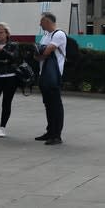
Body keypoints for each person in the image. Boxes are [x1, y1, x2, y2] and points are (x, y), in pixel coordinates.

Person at [34, 12, 67, 146]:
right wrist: (41, 52)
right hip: (44, 75)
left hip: (54, 76)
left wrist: (41, 52)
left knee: (56, 106)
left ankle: (56, 135)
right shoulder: (46, 35)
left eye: (41, 22)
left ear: (47, 22)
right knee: (48, 105)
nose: (40, 24)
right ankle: (49, 131)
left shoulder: (59, 34)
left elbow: (46, 52)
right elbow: (37, 55)